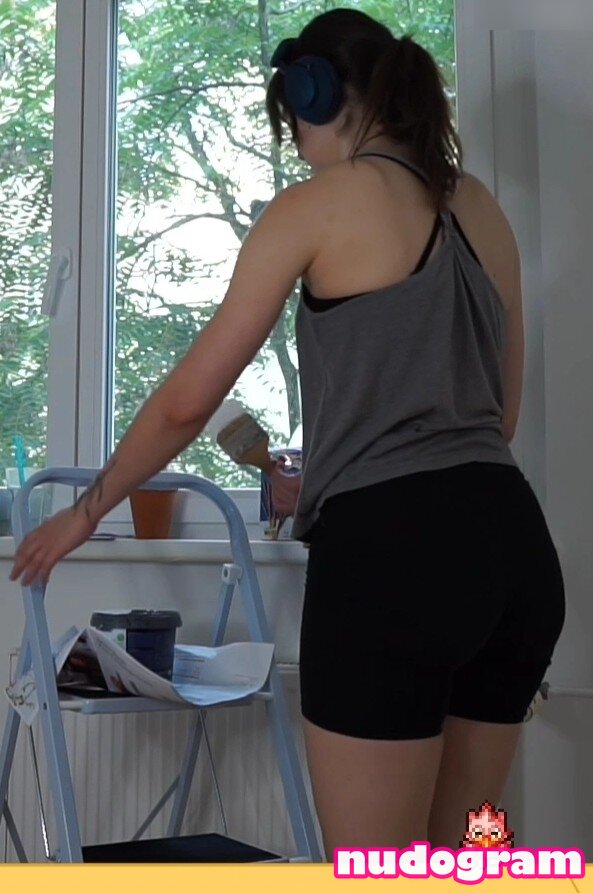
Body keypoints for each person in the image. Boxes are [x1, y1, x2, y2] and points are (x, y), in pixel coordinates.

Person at [10, 8, 565, 859]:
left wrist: (85, 513)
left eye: (292, 125)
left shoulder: (314, 206)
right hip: (513, 556)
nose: (296, 149)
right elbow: (499, 416)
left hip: (395, 560)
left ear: (314, 95)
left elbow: (187, 403)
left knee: (376, 870)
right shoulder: (478, 206)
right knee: (460, 864)